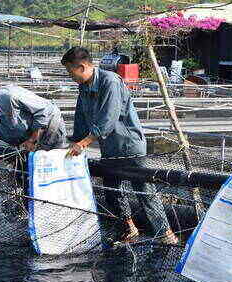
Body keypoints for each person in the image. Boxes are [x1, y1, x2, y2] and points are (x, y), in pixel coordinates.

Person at [61, 47, 179, 245]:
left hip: (129, 146)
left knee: (144, 191)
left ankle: (166, 235)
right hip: (110, 149)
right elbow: (81, 118)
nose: (70, 76)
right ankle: (130, 229)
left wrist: (84, 143)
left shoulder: (111, 82)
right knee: (112, 193)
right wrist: (74, 141)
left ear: (82, 67)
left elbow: (109, 117)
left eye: (70, 72)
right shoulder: (83, 88)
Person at [0, 85, 68, 173]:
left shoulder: (10, 97)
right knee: (29, 174)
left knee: (55, 167)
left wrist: (32, 139)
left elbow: (44, 111)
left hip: (49, 129)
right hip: (24, 141)